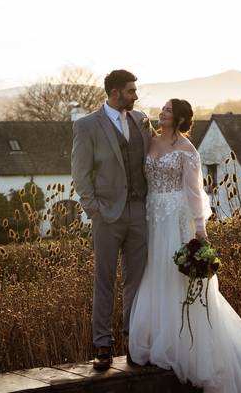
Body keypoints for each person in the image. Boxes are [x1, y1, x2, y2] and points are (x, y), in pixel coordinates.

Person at [128, 98, 241, 392]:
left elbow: (194, 193)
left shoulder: (188, 151)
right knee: (155, 273)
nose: (161, 113)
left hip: (176, 219)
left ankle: (184, 343)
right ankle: (156, 338)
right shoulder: (148, 139)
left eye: (166, 111)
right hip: (152, 217)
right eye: (162, 109)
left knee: (175, 275)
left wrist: (200, 232)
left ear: (177, 119)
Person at [71, 69, 152, 370]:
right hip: (107, 215)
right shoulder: (87, 125)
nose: (136, 96)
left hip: (139, 213)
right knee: (104, 281)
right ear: (115, 92)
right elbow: (80, 174)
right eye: (131, 91)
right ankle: (102, 345)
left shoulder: (141, 120)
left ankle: (134, 342)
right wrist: (95, 210)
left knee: (137, 282)